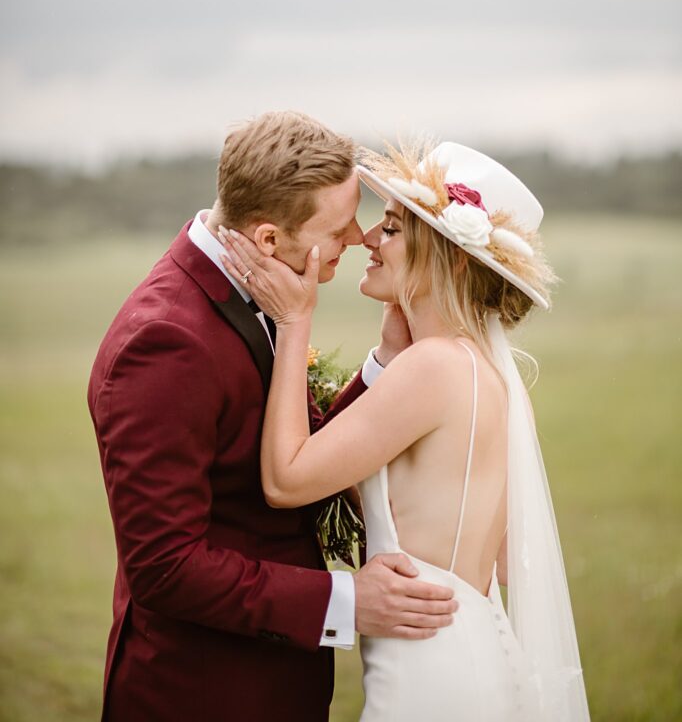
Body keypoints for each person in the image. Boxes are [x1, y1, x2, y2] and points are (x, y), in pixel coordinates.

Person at [87, 113, 457, 722]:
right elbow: (164, 566)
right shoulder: (164, 343)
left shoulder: (258, 291)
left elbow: (300, 451)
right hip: (205, 694)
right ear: (266, 239)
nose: (361, 238)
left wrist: (386, 362)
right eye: (340, 227)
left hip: (270, 683)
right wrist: (348, 601)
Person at [218, 139, 591, 721]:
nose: (367, 238)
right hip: (471, 647)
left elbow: (287, 481)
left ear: (453, 258)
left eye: (391, 228)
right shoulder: (482, 373)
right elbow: (493, 557)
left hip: (429, 670)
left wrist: (294, 323)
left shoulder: (432, 369)